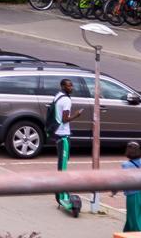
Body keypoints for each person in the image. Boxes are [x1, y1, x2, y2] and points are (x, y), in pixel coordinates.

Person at [52, 78, 82, 216]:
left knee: (61, 164)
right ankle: (61, 192)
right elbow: (64, 119)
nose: (72, 87)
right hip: (63, 135)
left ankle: (60, 192)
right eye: (69, 85)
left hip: (58, 133)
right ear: (63, 86)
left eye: (72, 84)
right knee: (63, 165)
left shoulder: (58, 96)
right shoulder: (67, 100)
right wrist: (77, 115)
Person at [115, 140, 141, 232]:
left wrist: (114, 191)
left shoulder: (126, 165)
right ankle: (127, 233)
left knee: (135, 218)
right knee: (140, 216)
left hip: (133, 195)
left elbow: (121, 180)